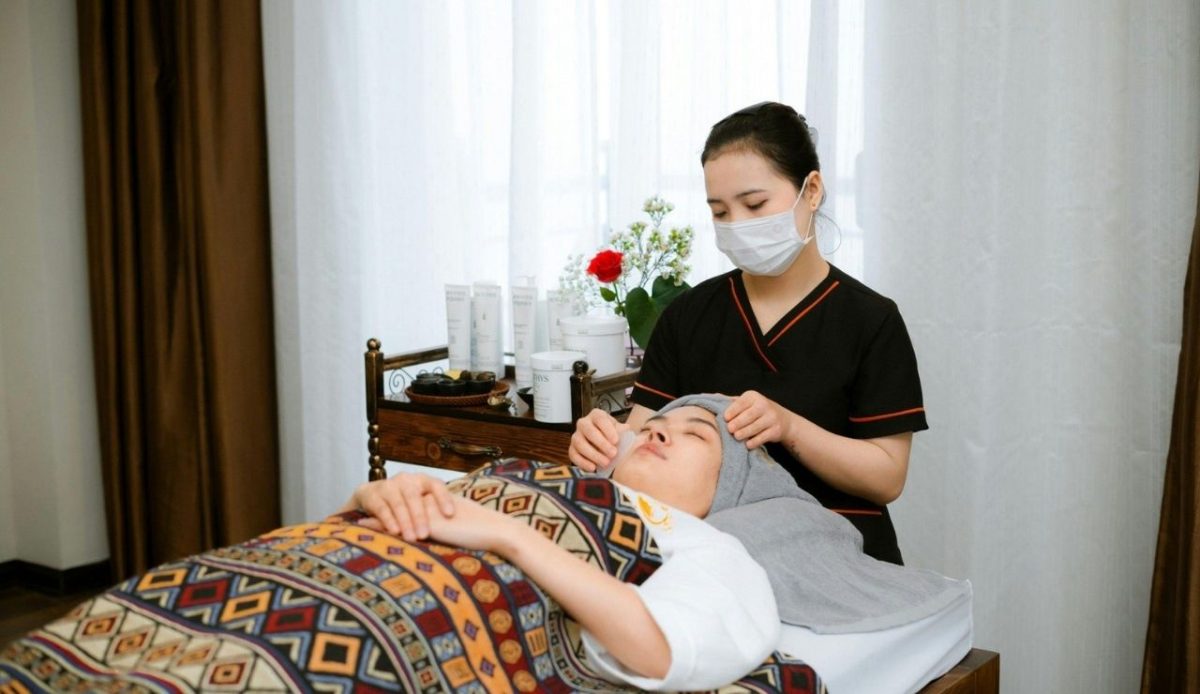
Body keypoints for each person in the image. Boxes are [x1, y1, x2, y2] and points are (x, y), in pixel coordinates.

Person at [341, 394, 967, 692]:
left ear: (732, 488)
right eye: (651, 426)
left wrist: (507, 536)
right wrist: (374, 498)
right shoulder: (543, 481)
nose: (658, 434)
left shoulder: (710, 546)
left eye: (696, 435)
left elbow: (658, 650)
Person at [569, 101, 928, 564]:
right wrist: (603, 442)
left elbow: (886, 477)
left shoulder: (870, 321)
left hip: (841, 554)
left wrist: (789, 427)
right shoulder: (690, 315)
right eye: (720, 211)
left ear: (812, 190)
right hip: (712, 557)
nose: (737, 224)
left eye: (756, 204)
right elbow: (640, 436)